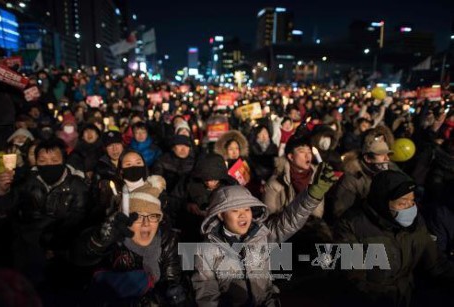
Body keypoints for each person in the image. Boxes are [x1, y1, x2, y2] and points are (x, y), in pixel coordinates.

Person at [191, 162, 337, 306]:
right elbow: (207, 295)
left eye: (247, 209)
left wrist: (312, 195)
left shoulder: (262, 235)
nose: (243, 215)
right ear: (221, 215)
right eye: (235, 211)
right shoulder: (207, 250)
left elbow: (290, 220)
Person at [335, 170, 454, 306]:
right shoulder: (351, 225)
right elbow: (353, 280)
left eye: (412, 200)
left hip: (405, 297)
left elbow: (436, 262)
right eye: (402, 203)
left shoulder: (416, 222)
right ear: (382, 203)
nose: (410, 207)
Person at [74, 176, 189, 306]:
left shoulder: (167, 238)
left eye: (153, 216)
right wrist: (99, 241)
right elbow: (78, 260)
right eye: (138, 217)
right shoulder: (113, 238)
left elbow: (172, 282)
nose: (146, 223)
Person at [0, 138, 89, 289]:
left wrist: (55, 246)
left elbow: (77, 221)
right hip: (27, 250)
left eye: (54, 160)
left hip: (61, 253)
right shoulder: (26, 182)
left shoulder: (78, 186)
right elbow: (6, 212)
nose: (48, 165)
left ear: (63, 161)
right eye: (43, 160)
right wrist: (2, 191)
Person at [329, 125, 396, 222]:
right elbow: (340, 213)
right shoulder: (351, 180)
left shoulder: (389, 171)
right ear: (367, 158)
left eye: (387, 154)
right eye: (381, 155)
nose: (387, 159)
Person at [152, 135, 196, 228]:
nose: (183, 149)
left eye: (186, 146)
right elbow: (156, 182)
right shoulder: (162, 161)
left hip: (189, 205)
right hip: (167, 203)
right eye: (180, 145)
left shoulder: (195, 162)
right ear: (173, 148)